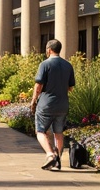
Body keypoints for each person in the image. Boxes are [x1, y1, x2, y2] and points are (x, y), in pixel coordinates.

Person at [31, 39, 76, 170]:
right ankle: (58, 160)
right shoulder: (68, 65)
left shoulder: (45, 64)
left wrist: (34, 100)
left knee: (40, 131)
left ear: (49, 49)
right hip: (62, 104)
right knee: (58, 132)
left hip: (46, 103)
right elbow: (70, 88)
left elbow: (38, 85)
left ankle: (50, 155)